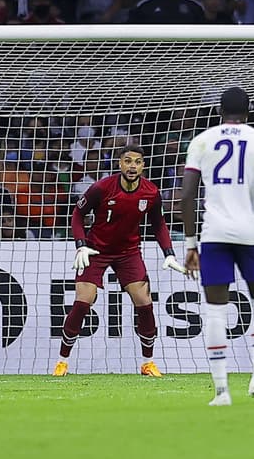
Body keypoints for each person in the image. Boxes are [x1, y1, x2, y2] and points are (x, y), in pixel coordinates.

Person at [181, 87, 254, 405]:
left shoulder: (201, 141)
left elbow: (186, 197)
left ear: (219, 111)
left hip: (214, 234)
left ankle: (221, 391)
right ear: (249, 111)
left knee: (214, 310)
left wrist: (189, 244)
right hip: (252, 234)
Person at [54, 144, 186, 377]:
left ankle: (148, 362)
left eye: (137, 162)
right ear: (119, 163)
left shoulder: (151, 192)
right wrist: (81, 246)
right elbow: (77, 214)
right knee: (83, 301)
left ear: (143, 166)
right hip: (96, 250)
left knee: (144, 301)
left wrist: (169, 253)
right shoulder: (101, 188)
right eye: (127, 161)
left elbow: (158, 224)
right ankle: (62, 361)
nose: (132, 166)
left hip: (129, 252)